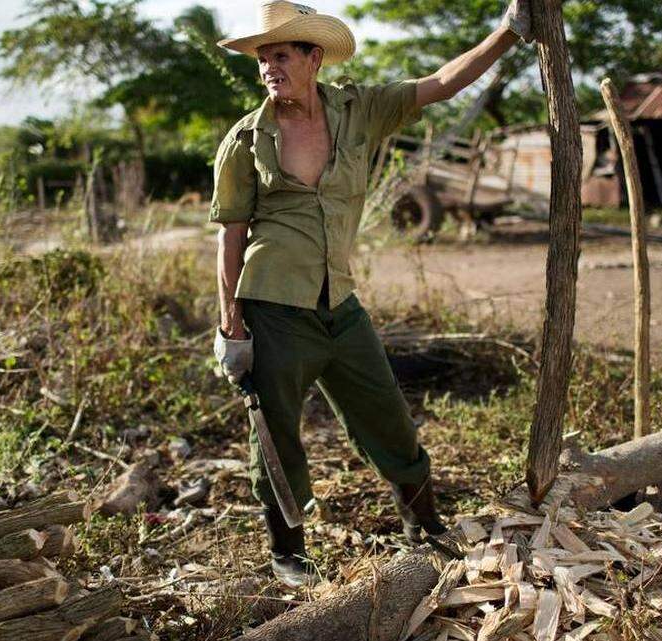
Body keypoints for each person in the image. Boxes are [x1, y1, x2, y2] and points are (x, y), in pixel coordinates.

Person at [211, 0, 534, 587]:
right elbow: (231, 235)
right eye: (262, 59)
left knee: (388, 416)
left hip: (340, 304)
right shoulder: (245, 139)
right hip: (272, 307)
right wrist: (231, 324)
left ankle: (424, 527)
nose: (268, 69)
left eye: (280, 56)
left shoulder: (360, 110)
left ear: (314, 57)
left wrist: (509, 32)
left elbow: (441, 83)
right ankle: (288, 552)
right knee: (276, 434)